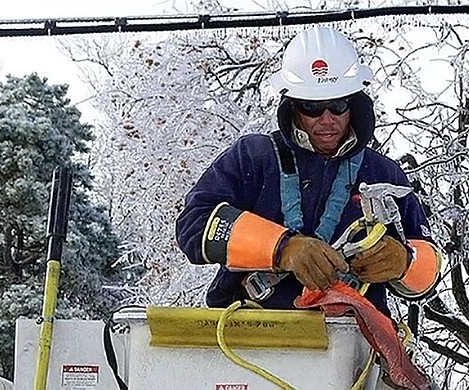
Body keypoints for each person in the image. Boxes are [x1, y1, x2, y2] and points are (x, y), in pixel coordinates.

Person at [175, 25, 441, 317]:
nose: (327, 119)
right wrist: (282, 249)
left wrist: (404, 261)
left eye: (338, 105)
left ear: (354, 105)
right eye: (312, 107)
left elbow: (427, 277)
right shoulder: (253, 158)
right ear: (293, 108)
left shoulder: (382, 174)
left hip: (350, 343)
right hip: (252, 333)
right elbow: (194, 225)